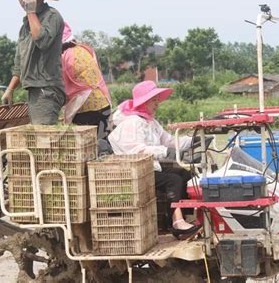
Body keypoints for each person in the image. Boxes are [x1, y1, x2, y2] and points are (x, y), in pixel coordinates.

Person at [108, 81, 201, 237]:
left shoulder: (150, 122)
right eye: (153, 100)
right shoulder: (132, 123)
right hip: (133, 171)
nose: (157, 103)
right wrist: (164, 152)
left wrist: (195, 139)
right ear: (143, 102)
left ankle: (181, 217)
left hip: (150, 167)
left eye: (157, 99)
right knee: (173, 180)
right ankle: (177, 222)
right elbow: (136, 150)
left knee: (185, 175)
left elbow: (170, 140)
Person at [1, 0, 65, 125]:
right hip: (35, 89)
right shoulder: (25, 27)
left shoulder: (52, 16)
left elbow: (42, 40)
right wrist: (10, 90)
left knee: (43, 141)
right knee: (40, 139)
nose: (23, 2)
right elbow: (20, 64)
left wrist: (31, 11)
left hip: (47, 89)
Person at [61, 22, 111, 139]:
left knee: (86, 145)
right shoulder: (85, 49)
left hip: (85, 107)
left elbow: (61, 86)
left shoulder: (64, 56)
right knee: (102, 141)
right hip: (103, 101)